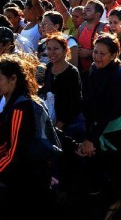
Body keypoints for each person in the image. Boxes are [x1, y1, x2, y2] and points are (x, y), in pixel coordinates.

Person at [79, 33, 121, 220]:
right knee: (104, 168)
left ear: (114, 54)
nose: (97, 57)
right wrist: (89, 134)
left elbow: (109, 111)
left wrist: (91, 138)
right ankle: (115, 200)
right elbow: (91, 102)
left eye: (103, 54)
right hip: (102, 127)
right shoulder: (93, 69)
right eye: (96, 52)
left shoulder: (118, 78)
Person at [0, 54, 55, 219]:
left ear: (13, 78)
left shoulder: (20, 109)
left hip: (25, 183)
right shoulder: (16, 103)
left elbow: (13, 153)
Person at [41, 33, 85, 141]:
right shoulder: (47, 68)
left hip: (70, 124)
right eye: (49, 49)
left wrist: (61, 123)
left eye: (56, 49)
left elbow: (75, 102)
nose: (52, 52)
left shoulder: (72, 72)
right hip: (51, 120)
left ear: (65, 50)